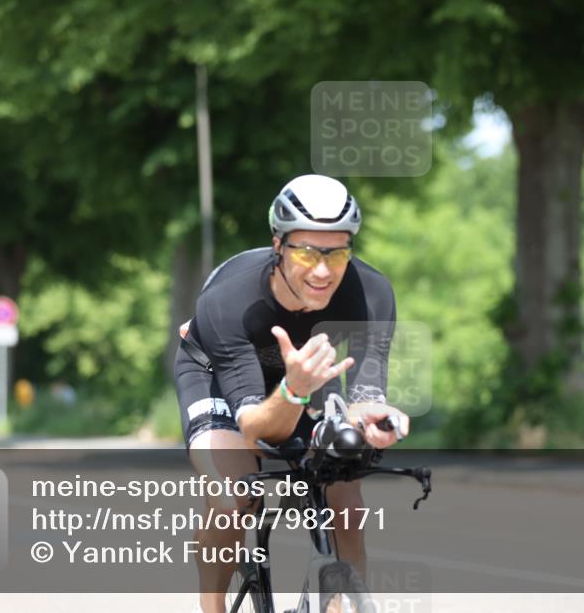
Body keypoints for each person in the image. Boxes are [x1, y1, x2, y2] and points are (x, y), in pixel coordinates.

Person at [174, 175, 411, 613]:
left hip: (306, 378)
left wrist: (375, 420)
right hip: (217, 376)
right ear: (278, 245)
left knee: (348, 504)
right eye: (307, 252)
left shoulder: (371, 294)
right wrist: (293, 388)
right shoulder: (228, 299)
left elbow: (364, 394)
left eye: (337, 253)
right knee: (234, 497)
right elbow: (256, 430)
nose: (323, 271)